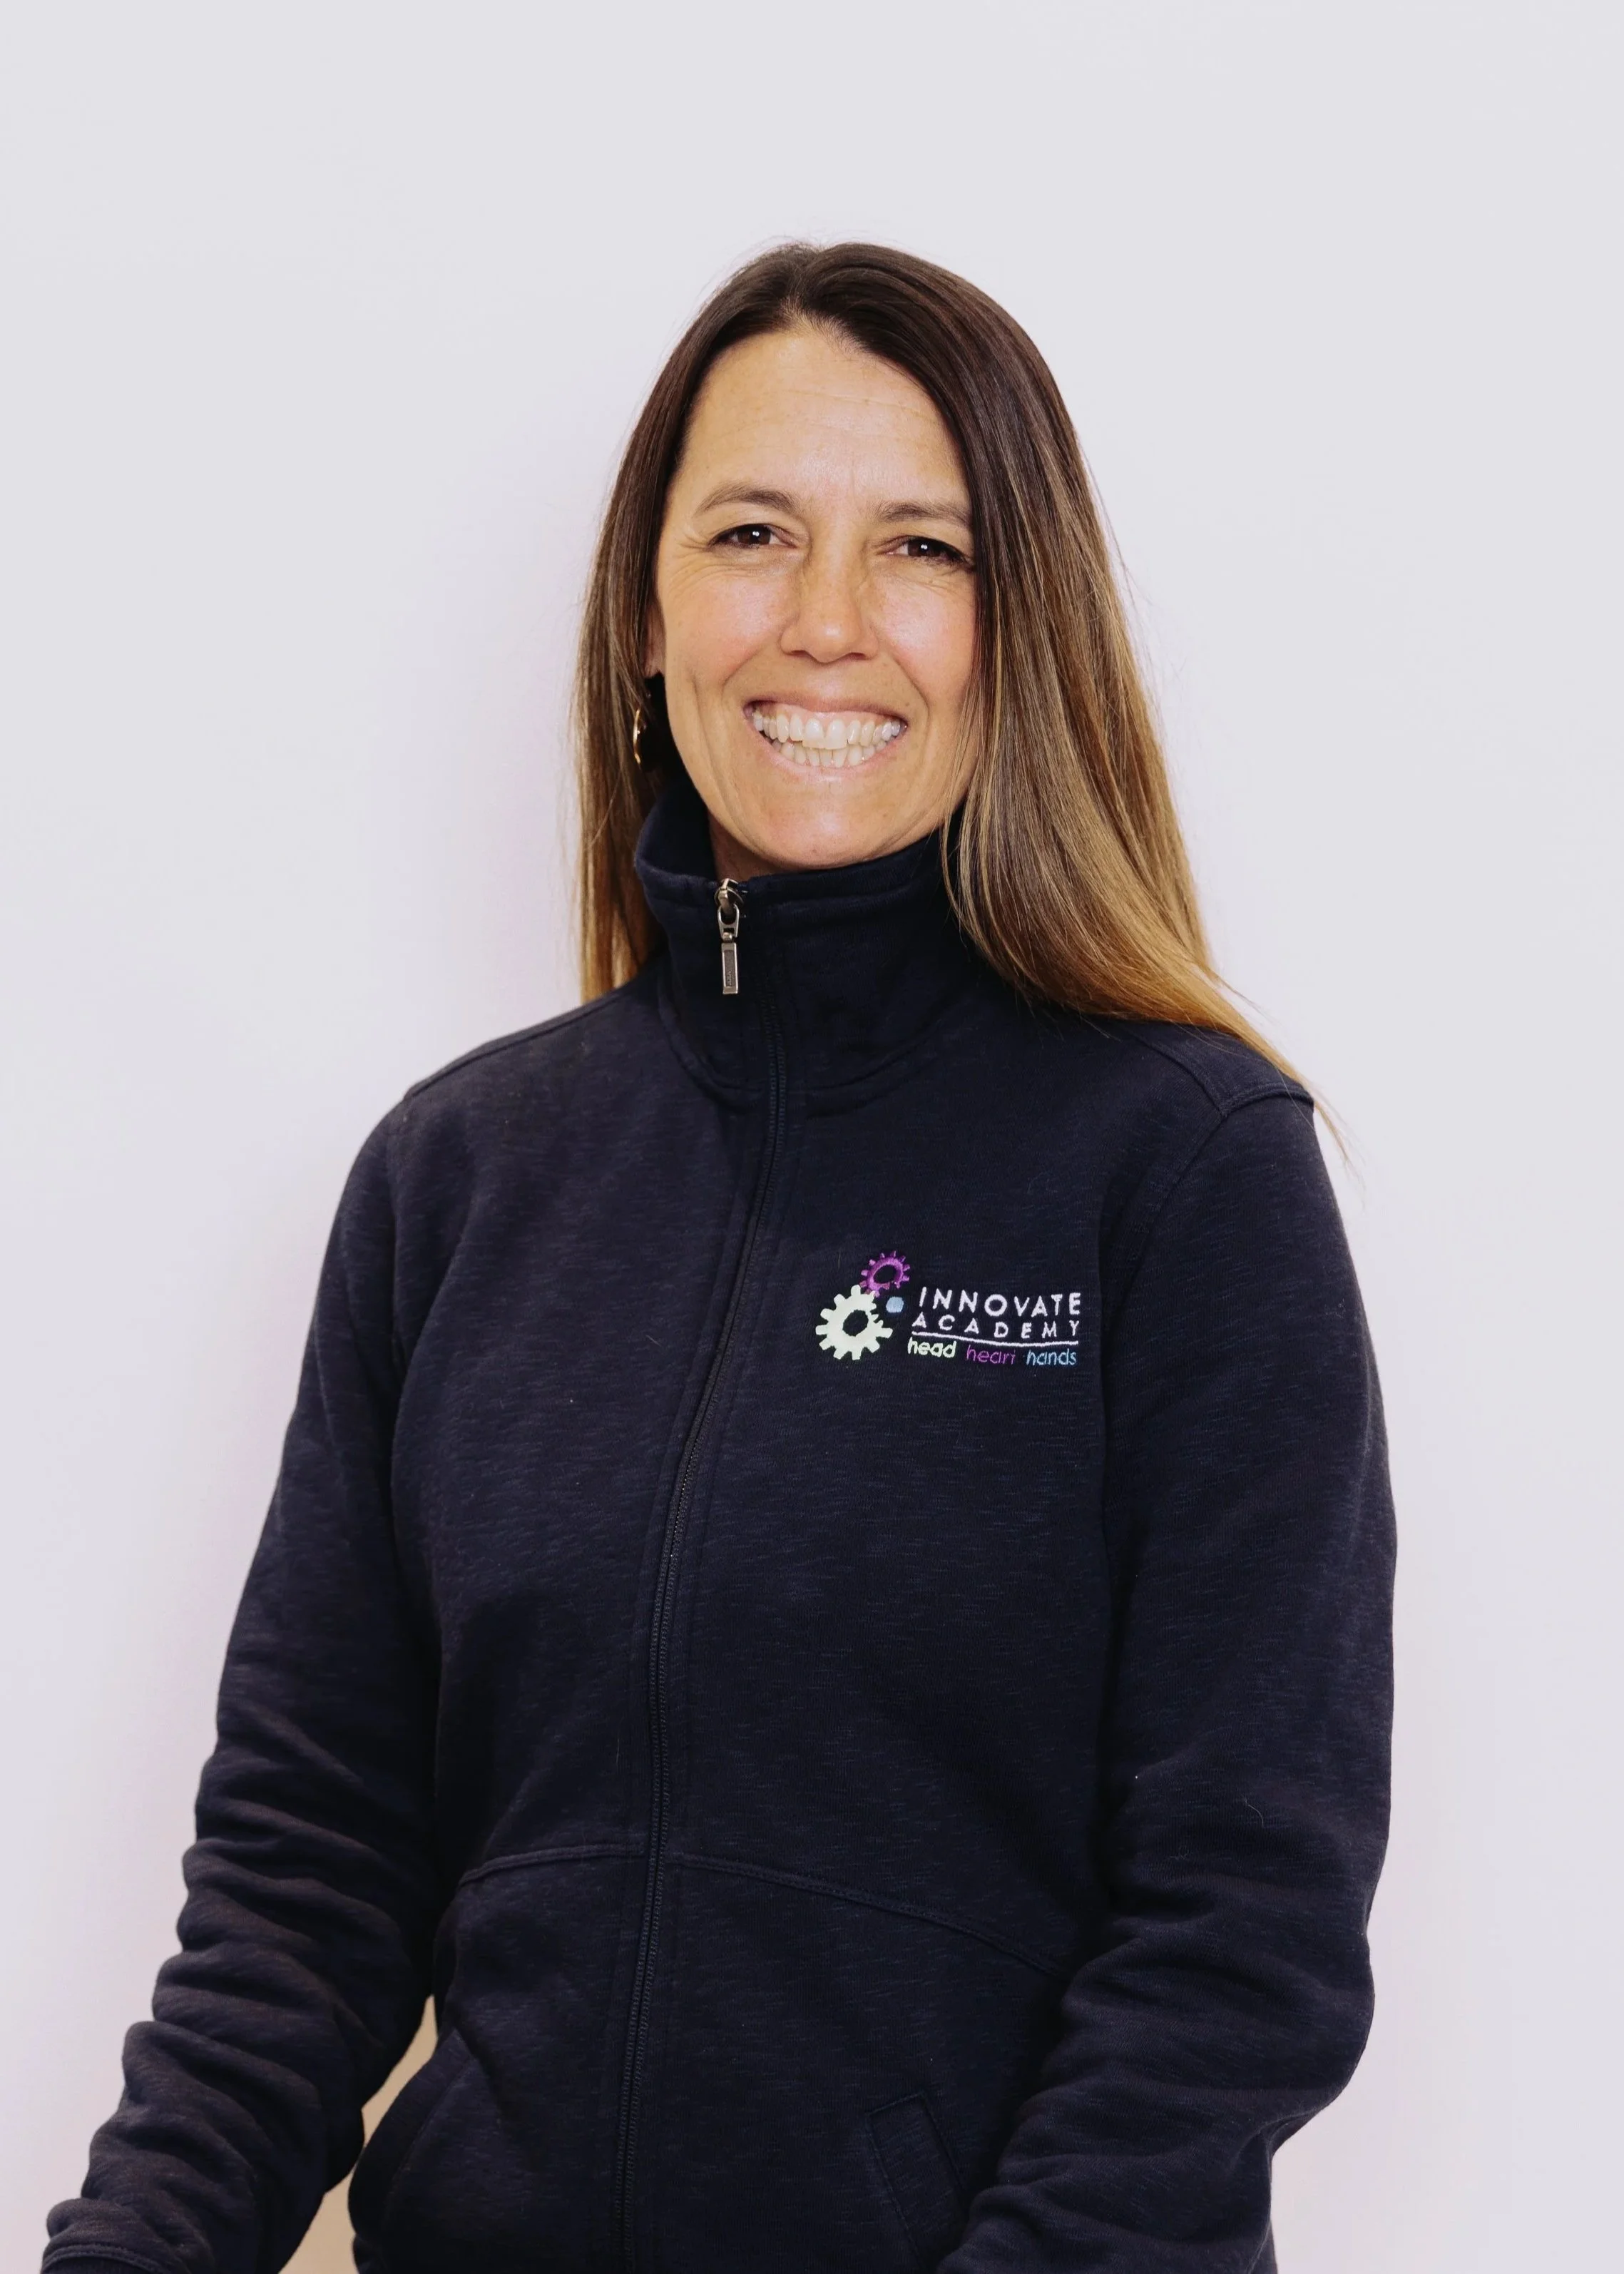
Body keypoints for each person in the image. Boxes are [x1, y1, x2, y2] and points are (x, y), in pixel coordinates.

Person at [44, 243, 1394, 2274]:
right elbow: (299, 1884)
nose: (827, 621)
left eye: (919, 546)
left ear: (1011, 627)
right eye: (753, 531)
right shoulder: (460, 1177)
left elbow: (1237, 1938)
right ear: (644, 613)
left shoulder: (1183, 1169)